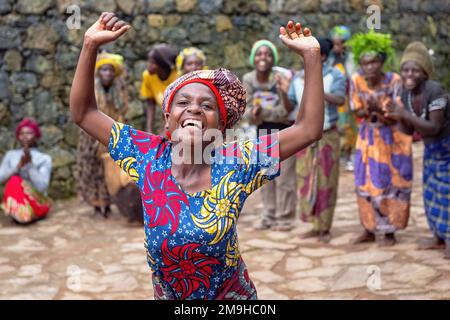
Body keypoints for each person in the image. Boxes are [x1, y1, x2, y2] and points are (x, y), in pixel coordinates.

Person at [70, 13, 324, 300]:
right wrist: (90, 44)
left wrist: (312, 56)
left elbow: (308, 130)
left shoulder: (238, 162)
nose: (194, 108)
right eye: (183, 102)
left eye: (207, 105)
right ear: (168, 121)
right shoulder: (147, 155)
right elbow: (84, 113)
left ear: (221, 125)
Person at [384, 41, 450, 258]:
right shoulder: (406, 93)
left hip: (446, 148)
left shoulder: (435, 91)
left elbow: (434, 127)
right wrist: (393, 117)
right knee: (431, 193)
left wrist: (404, 114)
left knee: (447, 193)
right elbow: (408, 130)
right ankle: (438, 236)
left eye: (415, 70)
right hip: (433, 151)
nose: (409, 74)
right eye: (405, 69)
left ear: (425, 73)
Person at [347, 30, 413, 246]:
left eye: (374, 62)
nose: (369, 67)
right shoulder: (356, 80)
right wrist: (371, 107)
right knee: (364, 182)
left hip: (390, 138)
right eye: (365, 63)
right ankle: (369, 227)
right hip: (367, 138)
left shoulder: (394, 80)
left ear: (382, 61)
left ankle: (390, 230)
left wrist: (379, 109)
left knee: (389, 183)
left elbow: (396, 112)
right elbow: (356, 110)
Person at [289, 38, 346, 242]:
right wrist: (282, 87)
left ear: (321, 55)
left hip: (327, 135)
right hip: (303, 138)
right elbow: (292, 103)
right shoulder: (297, 78)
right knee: (305, 178)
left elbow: (340, 99)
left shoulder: (335, 75)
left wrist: (317, 90)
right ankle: (313, 224)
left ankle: (325, 228)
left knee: (326, 180)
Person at [242, 39, 296, 231]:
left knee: (285, 178)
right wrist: (257, 114)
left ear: (273, 58)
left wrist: (263, 112)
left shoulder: (281, 78)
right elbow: (246, 113)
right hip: (263, 134)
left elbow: (286, 111)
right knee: (266, 176)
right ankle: (268, 216)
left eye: (267, 54)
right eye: (259, 54)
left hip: (286, 132)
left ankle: (286, 218)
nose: (263, 57)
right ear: (253, 58)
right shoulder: (248, 79)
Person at [75, 51, 129, 219]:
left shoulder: (118, 91)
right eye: (104, 70)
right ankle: (96, 205)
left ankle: (107, 203)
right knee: (92, 169)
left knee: (109, 168)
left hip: (110, 133)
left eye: (110, 70)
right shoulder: (92, 89)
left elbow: (122, 111)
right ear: (98, 72)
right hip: (90, 135)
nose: (107, 73)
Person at [0, 118, 52, 224]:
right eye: (22, 133)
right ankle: (23, 215)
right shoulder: (10, 155)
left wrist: (30, 165)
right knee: (14, 180)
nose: (25, 136)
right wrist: (18, 167)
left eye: (29, 133)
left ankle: (28, 214)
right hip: (18, 204)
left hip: (38, 202)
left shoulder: (44, 158)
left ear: (36, 136)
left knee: (15, 180)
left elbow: (42, 187)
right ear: (18, 137)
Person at [328, 25, 358, 171]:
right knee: (335, 127)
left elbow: (353, 77)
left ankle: (347, 155)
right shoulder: (328, 59)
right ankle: (337, 156)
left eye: (340, 43)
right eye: (334, 43)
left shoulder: (351, 59)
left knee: (348, 128)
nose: (337, 46)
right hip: (332, 98)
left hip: (347, 98)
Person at [141, 44, 179, 133]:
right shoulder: (148, 76)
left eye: (152, 63)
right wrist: (149, 129)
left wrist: (165, 132)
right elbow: (151, 104)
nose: (148, 65)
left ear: (163, 65)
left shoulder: (178, 78)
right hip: (166, 120)